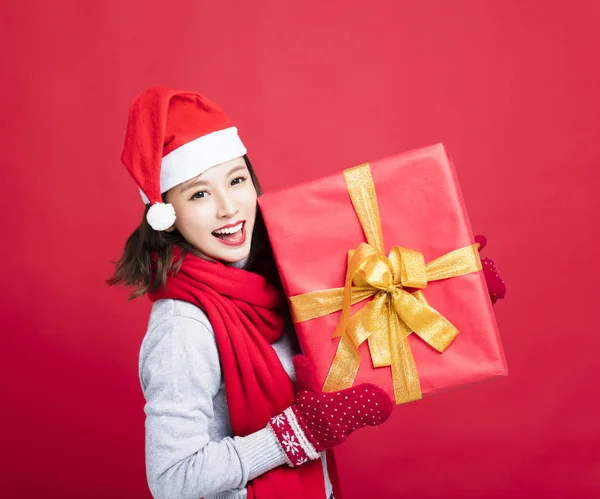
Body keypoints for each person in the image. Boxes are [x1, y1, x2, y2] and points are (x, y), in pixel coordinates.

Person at [109, 86, 506, 499]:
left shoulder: (275, 281)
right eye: (200, 194)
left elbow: (353, 344)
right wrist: (294, 433)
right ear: (167, 216)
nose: (228, 207)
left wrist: (451, 297)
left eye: (237, 180)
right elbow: (172, 479)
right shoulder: (183, 327)